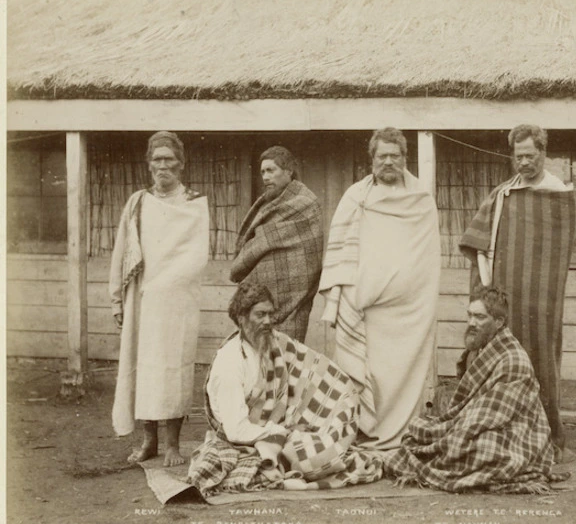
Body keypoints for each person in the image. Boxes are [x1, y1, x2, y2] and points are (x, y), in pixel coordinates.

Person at [186, 283, 382, 494]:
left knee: (326, 443)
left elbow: (313, 367)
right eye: (260, 315)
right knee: (316, 457)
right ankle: (278, 466)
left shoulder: (273, 344)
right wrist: (284, 431)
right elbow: (236, 430)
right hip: (243, 436)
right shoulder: (230, 364)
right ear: (241, 318)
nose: (268, 321)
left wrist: (345, 392)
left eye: (270, 314)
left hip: (273, 428)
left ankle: (281, 464)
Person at [319, 127, 441, 451]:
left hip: (407, 316)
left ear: (405, 158)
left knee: (402, 377)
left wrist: (409, 294)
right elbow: (340, 248)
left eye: (395, 155)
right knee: (359, 372)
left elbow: (426, 260)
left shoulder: (420, 200)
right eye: (382, 155)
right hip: (364, 310)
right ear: (372, 159)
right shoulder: (357, 197)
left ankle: (399, 435)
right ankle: (360, 434)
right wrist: (351, 294)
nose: (388, 161)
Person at [459, 124, 576, 460]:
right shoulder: (502, 195)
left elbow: (555, 254)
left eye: (530, 155)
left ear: (543, 153)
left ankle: (546, 438)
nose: (524, 162)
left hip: (540, 302)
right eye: (518, 156)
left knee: (540, 361)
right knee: (498, 361)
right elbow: (479, 244)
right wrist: (487, 287)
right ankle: (500, 435)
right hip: (504, 298)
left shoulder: (558, 195)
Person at [385, 287, 569, 493]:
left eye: (480, 317)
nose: (472, 323)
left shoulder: (513, 360)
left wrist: (454, 432)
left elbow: (492, 414)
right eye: (470, 315)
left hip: (518, 431)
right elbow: (475, 407)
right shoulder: (482, 348)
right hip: (488, 421)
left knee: (484, 448)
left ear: (499, 322)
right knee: (435, 434)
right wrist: (453, 428)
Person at [110, 131, 209, 467]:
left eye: (169, 159)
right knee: (144, 369)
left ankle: (172, 445)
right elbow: (122, 251)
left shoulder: (195, 204)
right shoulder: (138, 203)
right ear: (149, 164)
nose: (163, 165)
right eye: (157, 159)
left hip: (176, 301)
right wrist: (118, 299)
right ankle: (149, 441)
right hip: (142, 299)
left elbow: (196, 256)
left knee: (174, 368)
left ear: (180, 164)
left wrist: (165, 285)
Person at [230, 146, 323, 342]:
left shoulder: (305, 203)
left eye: (271, 170)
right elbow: (258, 241)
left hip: (293, 298)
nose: (265, 177)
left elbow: (305, 254)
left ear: (288, 171)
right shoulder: (267, 203)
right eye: (263, 171)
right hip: (261, 298)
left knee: (284, 356)